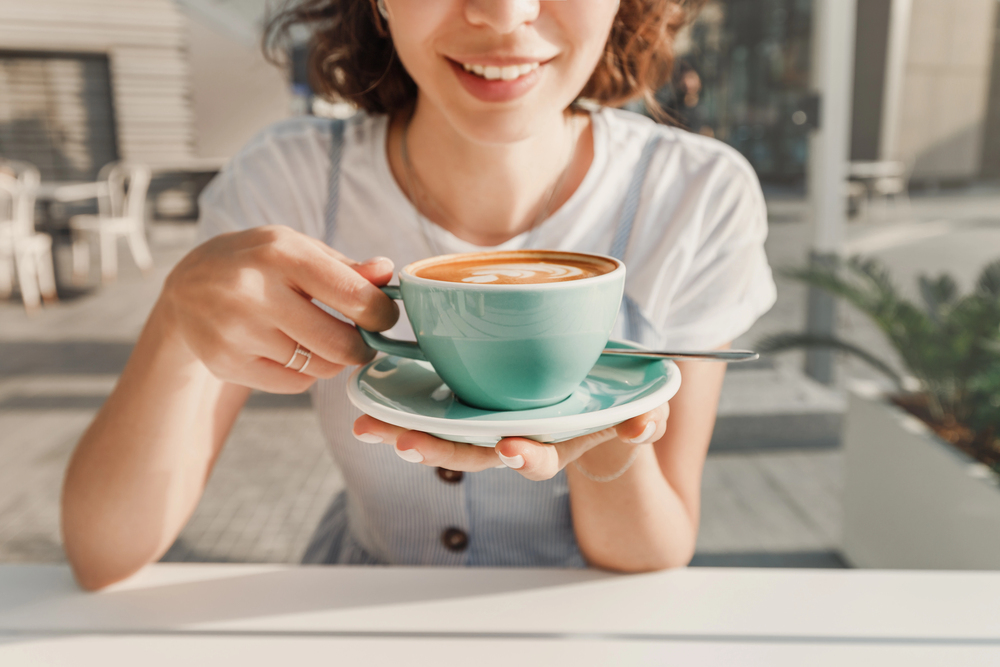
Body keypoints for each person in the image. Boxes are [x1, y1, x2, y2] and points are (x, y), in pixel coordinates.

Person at [62, 0, 775, 590]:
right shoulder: (288, 183)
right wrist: (175, 323)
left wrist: (596, 426)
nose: (504, 14)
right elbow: (104, 553)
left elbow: (656, 550)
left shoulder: (696, 196)